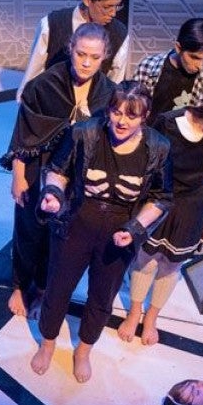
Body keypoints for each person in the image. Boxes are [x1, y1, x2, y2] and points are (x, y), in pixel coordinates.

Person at [33, 81, 172, 382]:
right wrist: (53, 194)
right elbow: (57, 169)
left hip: (120, 229)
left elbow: (162, 197)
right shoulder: (85, 131)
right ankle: (47, 343)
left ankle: (83, 350)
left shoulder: (159, 147)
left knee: (102, 296)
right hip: (79, 220)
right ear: (108, 110)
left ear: (144, 117)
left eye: (131, 116)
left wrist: (134, 229)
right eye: (116, 112)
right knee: (58, 287)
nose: (122, 121)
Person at [3, 23, 117, 317]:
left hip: (76, 176)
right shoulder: (44, 85)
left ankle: (42, 288)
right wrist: (18, 176)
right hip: (38, 167)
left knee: (60, 238)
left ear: (105, 56)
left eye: (94, 56)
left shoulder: (108, 94)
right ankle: (19, 283)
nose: (87, 62)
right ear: (70, 49)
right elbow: (22, 132)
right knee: (29, 230)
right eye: (81, 54)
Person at [118, 93, 203, 345]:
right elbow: (144, 162)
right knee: (145, 259)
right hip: (159, 199)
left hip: (192, 206)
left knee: (170, 265)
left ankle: (152, 318)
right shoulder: (169, 124)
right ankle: (135, 312)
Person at [17, 0, 130, 101]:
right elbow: (32, 78)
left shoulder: (119, 34)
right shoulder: (52, 24)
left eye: (117, 6)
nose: (113, 13)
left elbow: (114, 88)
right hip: (51, 110)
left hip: (92, 116)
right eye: (107, 7)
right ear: (87, 0)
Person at [131, 18, 203, 125]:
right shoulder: (148, 67)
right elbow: (132, 109)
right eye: (194, 57)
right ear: (178, 47)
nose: (200, 66)